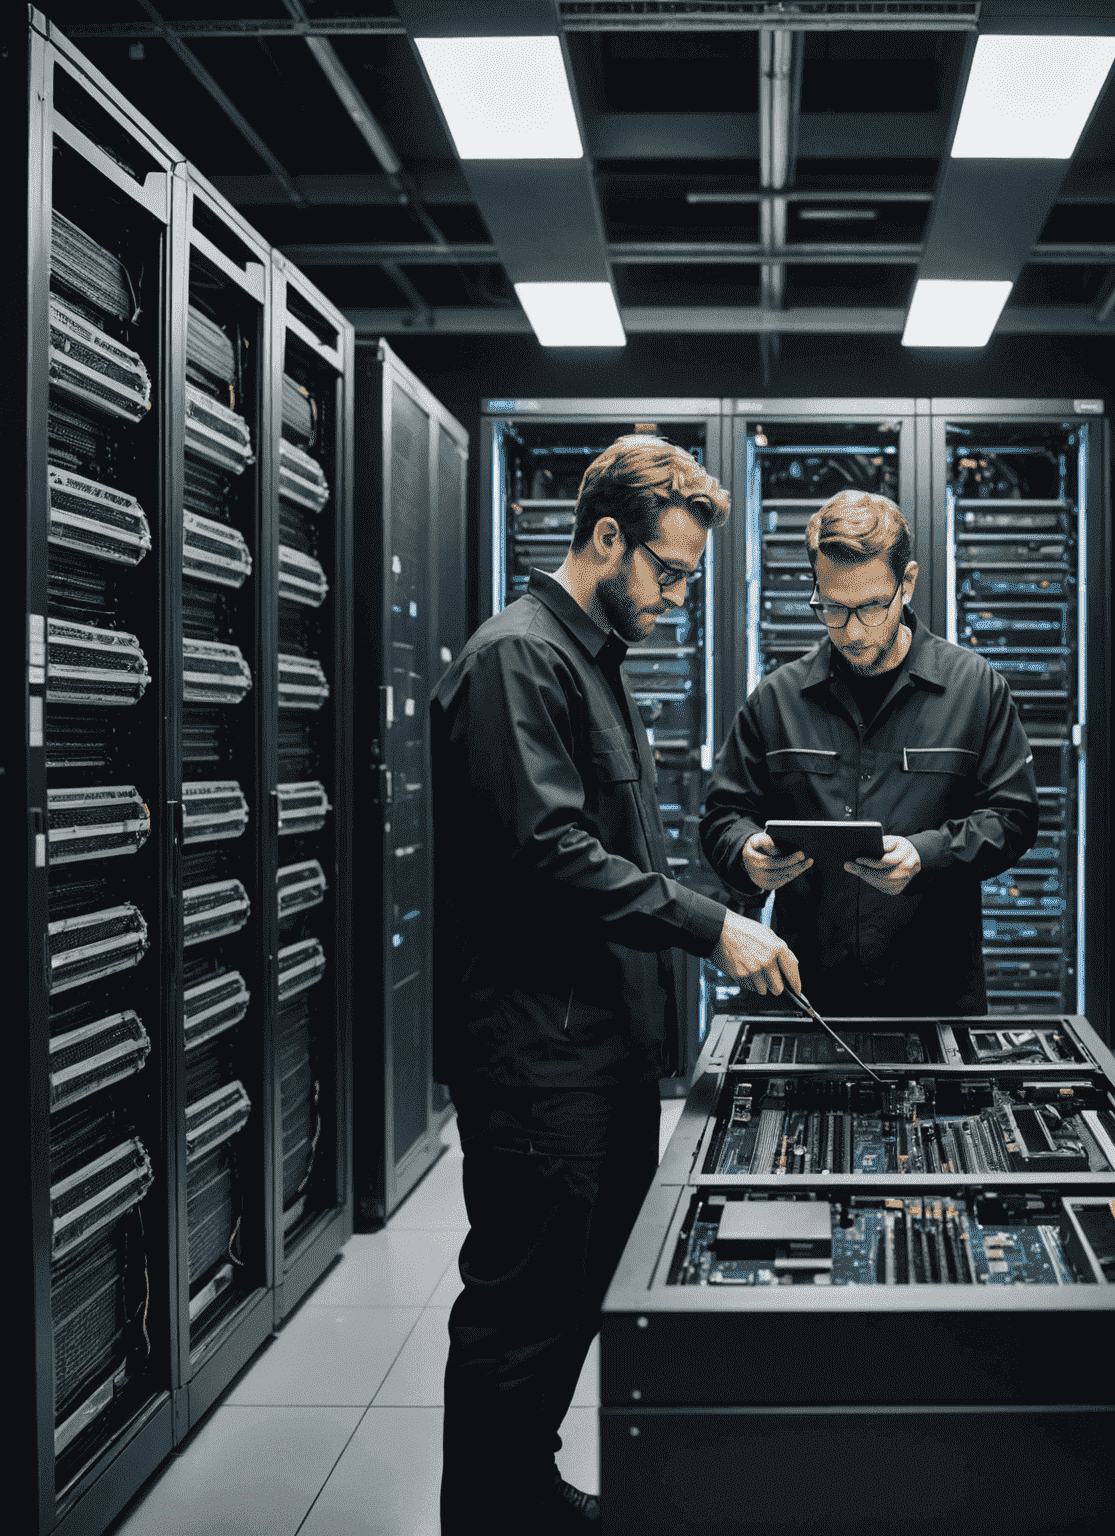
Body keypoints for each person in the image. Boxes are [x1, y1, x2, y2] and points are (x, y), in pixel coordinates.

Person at [429, 436, 801, 1531]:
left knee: (571, 1305)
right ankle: (493, 1513)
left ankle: (524, 1488)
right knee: (520, 1317)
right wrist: (712, 925)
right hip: (542, 1063)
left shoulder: (584, 662)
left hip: (598, 1052)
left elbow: (609, 855)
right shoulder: (518, 661)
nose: (681, 598)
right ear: (605, 539)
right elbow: (550, 853)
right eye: (672, 573)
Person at [700, 487, 1038, 1018]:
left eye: (871, 607)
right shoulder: (777, 698)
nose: (852, 630)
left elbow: (1013, 819)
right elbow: (723, 816)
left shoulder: (975, 689)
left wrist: (928, 854)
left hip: (934, 996)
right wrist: (745, 852)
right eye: (832, 607)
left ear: (906, 583)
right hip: (805, 999)